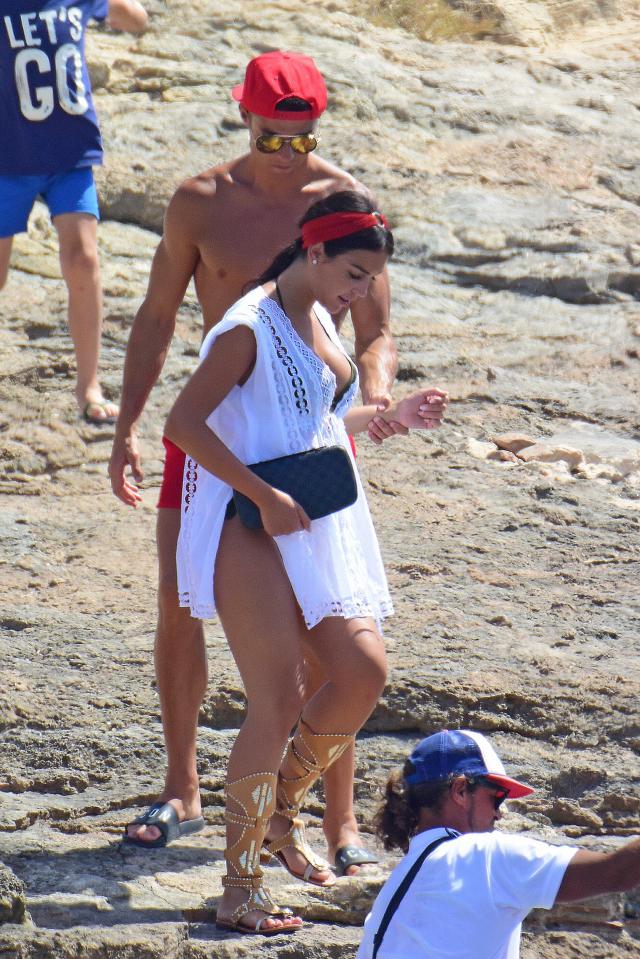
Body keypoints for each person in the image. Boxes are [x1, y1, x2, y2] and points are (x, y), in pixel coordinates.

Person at [110, 50, 447, 872]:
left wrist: (367, 399)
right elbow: (158, 320)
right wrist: (123, 425)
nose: (287, 152)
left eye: (303, 139)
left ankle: (334, 820)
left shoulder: (339, 206)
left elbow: (374, 329)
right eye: (273, 136)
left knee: (326, 627)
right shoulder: (199, 202)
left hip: (302, 436)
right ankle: (182, 785)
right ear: (244, 116)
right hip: (218, 431)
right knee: (177, 601)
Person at [164, 189, 447, 934]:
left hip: (315, 517)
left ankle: (282, 812)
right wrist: (260, 494)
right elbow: (184, 423)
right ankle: (240, 886)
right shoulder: (246, 327)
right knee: (279, 697)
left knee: (362, 671)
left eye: (368, 282)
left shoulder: (318, 313)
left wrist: (387, 413)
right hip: (246, 525)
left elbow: (309, 422)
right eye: (354, 275)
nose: (362, 295)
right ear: (315, 250)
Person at [357, 729, 640, 959]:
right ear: (460, 790)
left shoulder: (404, 876)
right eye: (497, 796)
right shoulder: (485, 855)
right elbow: (618, 872)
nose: (500, 811)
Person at [0, 0, 148, 424]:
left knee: (83, 260)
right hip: (8, 158)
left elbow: (137, 19)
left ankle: (89, 385)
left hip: (70, 152)